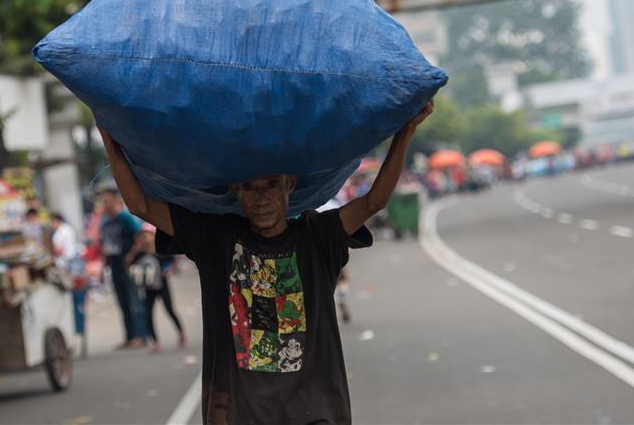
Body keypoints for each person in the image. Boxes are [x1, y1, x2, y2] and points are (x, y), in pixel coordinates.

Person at [97, 99, 434, 424]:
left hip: (315, 411)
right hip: (238, 414)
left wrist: (405, 132)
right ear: (235, 192)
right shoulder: (215, 239)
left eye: (271, 185)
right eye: (249, 188)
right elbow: (141, 206)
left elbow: (374, 202)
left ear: (290, 185)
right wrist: (108, 135)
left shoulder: (318, 235)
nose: (261, 198)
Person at [98, 187, 147, 349]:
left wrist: (131, 255)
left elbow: (140, 235)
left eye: (107, 201)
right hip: (114, 267)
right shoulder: (104, 222)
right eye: (103, 202)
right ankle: (129, 336)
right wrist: (103, 266)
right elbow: (105, 245)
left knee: (134, 301)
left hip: (128, 266)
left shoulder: (125, 218)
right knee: (122, 303)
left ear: (115, 202)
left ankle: (141, 336)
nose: (105, 204)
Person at [126, 226, 186, 353]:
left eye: (147, 235)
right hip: (148, 288)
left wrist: (170, 270)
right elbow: (128, 264)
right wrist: (134, 249)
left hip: (162, 285)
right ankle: (155, 341)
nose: (145, 238)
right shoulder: (140, 254)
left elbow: (173, 261)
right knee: (148, 314)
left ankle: (181, 333)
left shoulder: (161, 250)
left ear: (153, 236)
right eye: (142, 236)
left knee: (170, 310)